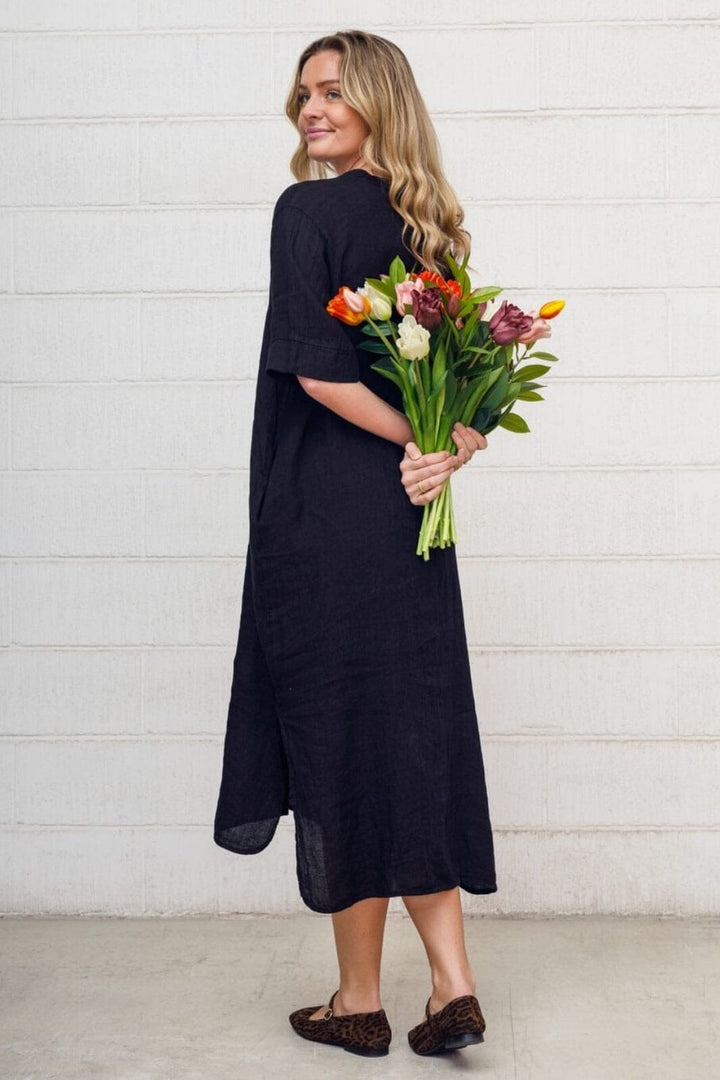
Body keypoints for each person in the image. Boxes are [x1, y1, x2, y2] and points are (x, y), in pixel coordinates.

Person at [213, 29, 496, 1058]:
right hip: (409, 524)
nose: (311, 110)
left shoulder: (307, 210)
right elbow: (473, 390)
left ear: (380, 98)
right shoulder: (429, 227)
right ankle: (446, 984)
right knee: (410, 732)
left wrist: (428, 438)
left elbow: (316, 371)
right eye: (303, 96)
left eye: (332, 91)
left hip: (322, 517)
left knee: (339, 739)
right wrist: (440, 446)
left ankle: (361, 999)